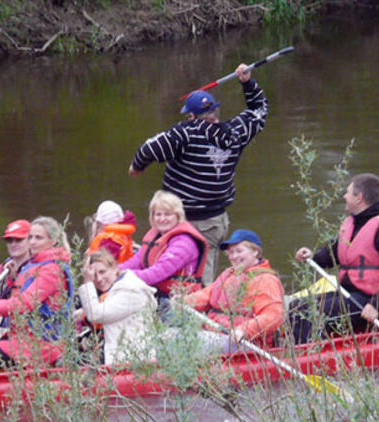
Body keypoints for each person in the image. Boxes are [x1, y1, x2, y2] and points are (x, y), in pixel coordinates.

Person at [127, 63, 268, 286]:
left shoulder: (184, 133)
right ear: (215, 112)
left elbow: (148, 149)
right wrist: (247, 83)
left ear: (192, 116)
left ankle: (194, 315)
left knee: (187, 276)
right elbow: (258, 110)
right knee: (204, 266)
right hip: (215, 220)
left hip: (182, 220)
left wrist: (137, 167)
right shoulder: (238, 131)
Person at [0, 216, 73, 373]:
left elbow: (24, 304)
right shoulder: (33, 265)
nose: (33, 242)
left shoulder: (51, 270)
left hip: (41, 344)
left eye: (39, 238)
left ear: (53, 241)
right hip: (22, 339)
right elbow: (18, 295)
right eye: (30, 237)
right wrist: (11, 280)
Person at [292, 173, 379, 344]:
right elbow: (334, 252)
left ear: (359, 198)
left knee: (308, 312)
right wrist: (312, 256)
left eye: (348, 192)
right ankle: (310, 352)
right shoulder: (352, 223)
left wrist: (375, 305)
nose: (344, 196)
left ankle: (314, 359)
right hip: (349, 295)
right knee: (295, 306)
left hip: (367, 301)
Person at [181, 229, 285, 352]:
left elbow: (273, 316)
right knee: (171, 335)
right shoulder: (230, 273)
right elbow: (208, 294)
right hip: (216, 333)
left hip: (245, 344)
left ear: (255, 252)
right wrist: (184, 301)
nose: (234, 256)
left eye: (239, 251)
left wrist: (243, 330)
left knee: (184, 343)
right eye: (230, 252)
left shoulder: (265, 280)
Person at [119, 191, 207, 313]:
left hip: (178, 302)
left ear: (178, 216)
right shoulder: (156, 235)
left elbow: (159, 272)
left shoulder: (184, 242)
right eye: (158, 214)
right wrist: (113, 271)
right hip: (158, 294)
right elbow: (136, 260)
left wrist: (122, 277)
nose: (162, 219)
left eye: (168, 214)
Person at [77, 250, 157, 365]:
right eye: (94, 275)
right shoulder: (116, 290)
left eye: (102, 272)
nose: (99, 279)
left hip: (133, 362)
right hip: (124, 360)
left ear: (115, 268)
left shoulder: (131, 290)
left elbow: (96, 315)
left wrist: (88, 282)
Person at [0, 219, 32, 300]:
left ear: (30, 240)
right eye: (9, 240)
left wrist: (14, 279)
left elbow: (26, 303)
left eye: (19, 240)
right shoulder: (1, 269)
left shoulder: (39, 267)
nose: (13, 244)